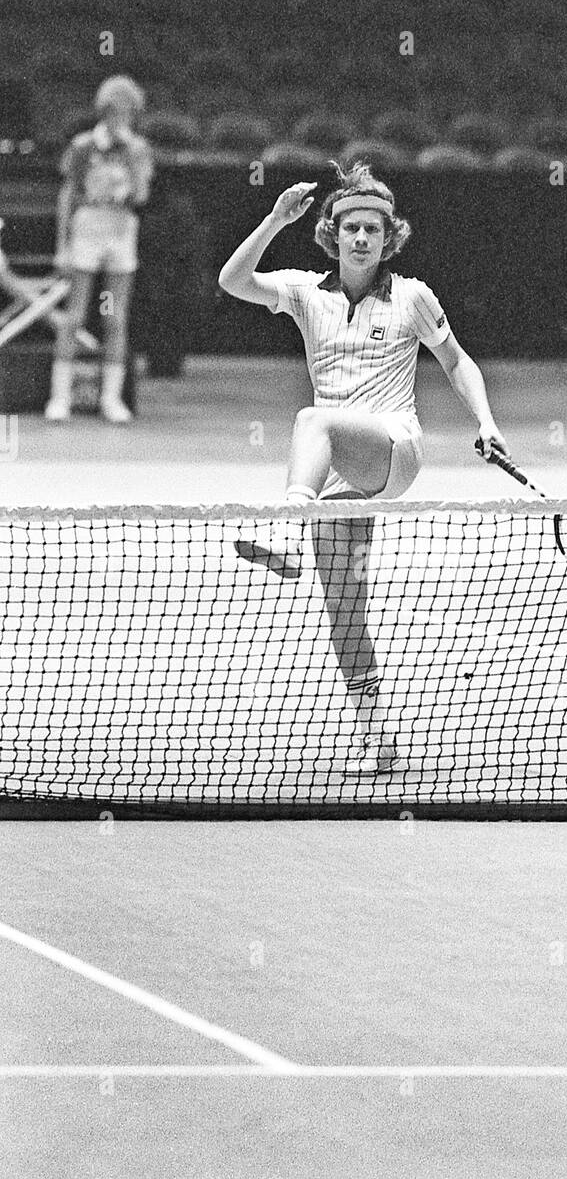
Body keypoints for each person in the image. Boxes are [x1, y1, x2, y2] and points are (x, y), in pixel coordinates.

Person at [218, 160, 509, 773]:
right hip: (342, 476)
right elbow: (233, 280)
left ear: (387, 237)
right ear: (332, 232)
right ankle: (379, 737)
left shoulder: (412, 297)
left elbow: (457, 362)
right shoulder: (303, 292)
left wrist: (485, 421)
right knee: (344, 604)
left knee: (310, 419)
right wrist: (273, 219)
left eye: (372, 230)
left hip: (395, 449)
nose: (360, 238)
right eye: (350, 227)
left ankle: (281, 524)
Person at [47, 74, 153, 423]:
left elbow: (140, 196)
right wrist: (62, 245)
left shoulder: (139, 149)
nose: (123, 116)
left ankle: (111, 399)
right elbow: (67, 196)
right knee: (74, 315)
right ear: (105, 110)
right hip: (88, 226)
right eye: (117, 110)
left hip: (121, 228)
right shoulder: (82, 146)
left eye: (129, 111)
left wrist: (136, 159)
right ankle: (59, 397)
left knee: (115, 317)